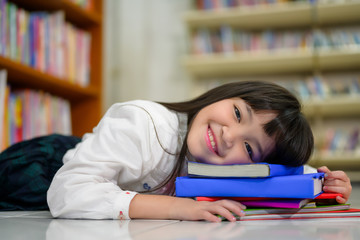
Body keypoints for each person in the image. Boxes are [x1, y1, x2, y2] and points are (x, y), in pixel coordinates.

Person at [0, 81, 352, 222]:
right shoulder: (145, 124)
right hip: (41, 170)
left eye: (249, 146)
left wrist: (323, 185)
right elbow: (67, 193)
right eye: (236, 113)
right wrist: (178, 208)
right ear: (223, 95)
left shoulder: (226, 163)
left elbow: (283, 171)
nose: (228, 135)